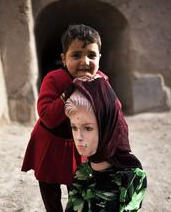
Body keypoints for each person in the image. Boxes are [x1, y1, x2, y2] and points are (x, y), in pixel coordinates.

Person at [21, 24, 114, 212]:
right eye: (76, 55)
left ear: (99, 58)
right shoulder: (54, 80)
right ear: (64, 59)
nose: (85, 61)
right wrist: (70, 90)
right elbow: (47, 117)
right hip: (50, 143)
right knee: (50, 189)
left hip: (78, 145)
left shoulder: (101, 80)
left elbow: (110, 112)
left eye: (91, 55)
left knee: (78, 191)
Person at [64, 78, 147, 212]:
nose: (78, 138)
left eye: (88, 128)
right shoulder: (81, 173)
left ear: (107, 128)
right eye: (74, 127)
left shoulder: (130, 178)